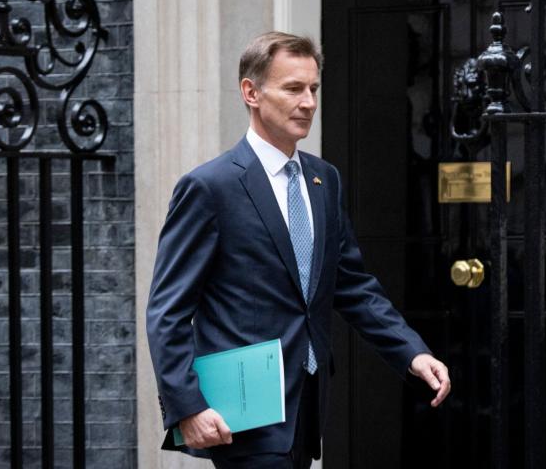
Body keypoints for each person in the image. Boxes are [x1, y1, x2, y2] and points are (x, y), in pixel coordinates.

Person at [146, 32, 451, 468]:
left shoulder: (323, 180)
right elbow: (167, 310)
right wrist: (187, 405)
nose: (308, 102)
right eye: (293, 88)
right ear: (251, 92)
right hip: (244, 411)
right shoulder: (210, 188)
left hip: (307, 405)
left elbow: (352, 285)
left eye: (313, 89)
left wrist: (412, 352)